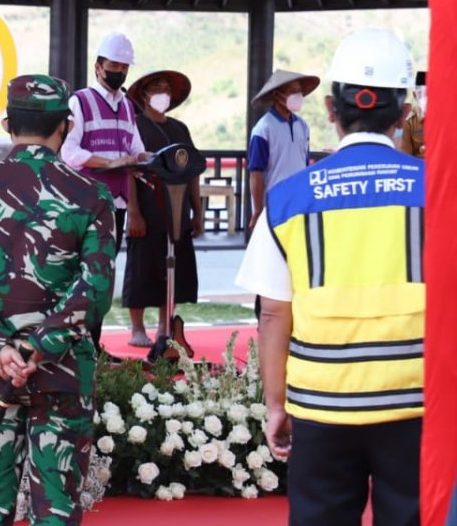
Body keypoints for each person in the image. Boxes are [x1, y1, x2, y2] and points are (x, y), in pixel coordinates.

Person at [235, 29, 422, 526]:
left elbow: (273, 311)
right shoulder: (436, 192)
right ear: (404, 114)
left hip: (321, 403)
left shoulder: (288, 199)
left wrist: (276, 405)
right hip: (415, 400)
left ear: (330, 111)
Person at [0, 74, 116, 526]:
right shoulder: (93, 196)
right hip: (63, 373)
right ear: (67, 126)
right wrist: (38, 347)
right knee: (56, 508)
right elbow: (94, 290)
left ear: (6, 125)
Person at [61, 31, 147, 348]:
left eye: (125, 67)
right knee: (85, 273)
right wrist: (107, 163)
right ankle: (80, 343)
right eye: (114, 65)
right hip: (87, 204)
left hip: (118, 204)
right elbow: (68, 153)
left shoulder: (127, 106)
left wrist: (157, 158)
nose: (120, 72)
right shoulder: (80, 101)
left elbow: (137, 149)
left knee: (105, 274)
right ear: (98, 66)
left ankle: (93, 344)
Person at [122, 70, 204, 347]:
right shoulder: (135, 127)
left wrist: (198, 211)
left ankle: (163, 327)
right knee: (142, 265)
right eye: (156, 87)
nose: (162, 92)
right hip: (146, 206)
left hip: (177, 207)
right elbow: (129, 170)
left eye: (166, 88)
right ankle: (136, 328)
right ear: (144, 93)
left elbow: (193, 170)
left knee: (172, 268)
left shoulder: (180, 129)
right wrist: (133, 211)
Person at [247, 69, 319, 225]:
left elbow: (304, 164)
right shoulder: (263, 129)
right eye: (293, 91)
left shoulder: (303, 126)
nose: (298, 95)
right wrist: (258, 210)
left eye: (299, 91)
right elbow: (255, 174)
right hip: (273, 202)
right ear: (277, 95)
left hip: (299, 201)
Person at [399, 70, 425, 158]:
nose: (425, 99)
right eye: (421, 94)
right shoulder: (409, 122)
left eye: (429, 94)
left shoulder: (444, 121)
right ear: (415, 95)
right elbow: (406, 157)